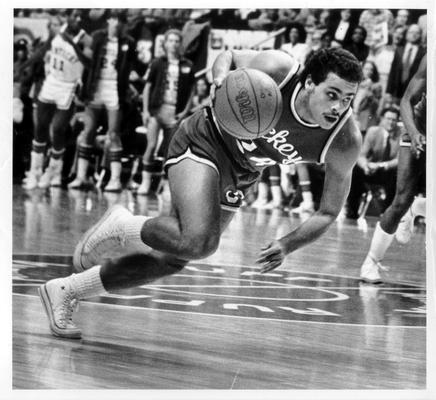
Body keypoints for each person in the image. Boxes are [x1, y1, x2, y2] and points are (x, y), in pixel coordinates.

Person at [38, 47, 363, 338]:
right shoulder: (279, 70)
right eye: (332, 94)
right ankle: (123, 226)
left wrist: (287, 244)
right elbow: (230, 57)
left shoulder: (344, 140)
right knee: (199, 242)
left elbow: (328, 211)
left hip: (243, 171)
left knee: (175, 258)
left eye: (348, 98)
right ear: (308, 84)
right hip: (205, 137)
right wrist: (222, 78)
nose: (339, 106)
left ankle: (68, 290)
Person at [360, 55, 426, 283]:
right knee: (401, 200)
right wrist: (416, 133)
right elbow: (406, 100)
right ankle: (371, 262)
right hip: (419, 127)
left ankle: (418, 207)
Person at [23, 9, 92, 190]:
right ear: (67, 17)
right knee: (40, 127)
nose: (77, 19)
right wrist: (23, 66)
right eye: (75, 16)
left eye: (80, 16)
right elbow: (42, 51)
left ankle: (52, 173)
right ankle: (35, 171)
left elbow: (90, 64)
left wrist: (73, 45)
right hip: (51, 82)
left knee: (58, 128)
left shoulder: (86, 39)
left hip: (68, 86)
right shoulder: (57, 31)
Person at [68, 11, 136, 191]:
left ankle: (115, 179)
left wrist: (128, 86)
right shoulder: (97, 37)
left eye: (119, 20)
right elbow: (88, 62)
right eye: (113, 19)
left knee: (114, 133)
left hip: (115, 88)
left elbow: (128, 68)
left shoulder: (128, 42)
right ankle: (81, 177)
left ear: (123, 24)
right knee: (89, 130)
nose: (116, 23)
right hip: (96, 87)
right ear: (108, 21)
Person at [137, 29, 195, 195]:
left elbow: (191, 90)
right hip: (157, 109)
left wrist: (184, 112)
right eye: (170, 40)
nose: (173, 44)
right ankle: (145, 182)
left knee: (170, 150)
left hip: (174, 111)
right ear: (165, 43)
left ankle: (166, 185)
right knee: (152, 144)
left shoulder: (187, 65)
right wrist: (146, 111)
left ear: (180, 44)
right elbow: (148, 87)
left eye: (177, 41)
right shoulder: (157, 63)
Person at [346, 107, 401, 219]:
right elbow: (361, 155)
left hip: (388, 171)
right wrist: (365, 165)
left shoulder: (402, 134)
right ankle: (352, 211)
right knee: (355, 170)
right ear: (382, 119)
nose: (391, 122)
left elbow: (399, 160)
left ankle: (386, 214)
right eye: (388, 119)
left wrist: (381, 165)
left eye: (394, 120)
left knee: (397, 174)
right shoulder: (373, 131)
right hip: (372, 169)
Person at [386, 24, 425, 105]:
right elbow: (392, 72)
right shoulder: (399, 49)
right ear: (407, 34)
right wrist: (388, 91)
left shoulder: (423, 52)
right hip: (396, 91)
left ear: (421, 35)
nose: (414, 34)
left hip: (412, 92)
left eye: (417, 33)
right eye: (411, 32)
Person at [353, 60, 383, 135]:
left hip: (365, 119)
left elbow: (376, 106)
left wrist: (371, 95)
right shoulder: (355, 84)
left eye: (371, 69)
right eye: (366, 69)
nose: (369, 71)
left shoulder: (376, 86)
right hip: (353, 116)